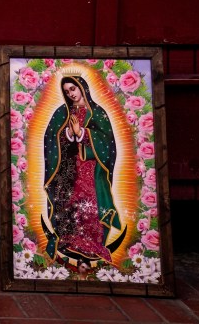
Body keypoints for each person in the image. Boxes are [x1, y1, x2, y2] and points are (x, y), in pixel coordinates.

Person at [42, 74, 126, 271]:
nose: (71, 93)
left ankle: (88, 251)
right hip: (68, 169)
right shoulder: (62, 113)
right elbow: (51, 139)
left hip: (91, 171)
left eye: (73, 88)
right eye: (67, 91)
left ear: (82, 87)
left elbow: (107, 145)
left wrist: (83, 133)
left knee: (89, 207)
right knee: (69, 205)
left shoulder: (98, 113)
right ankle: (70, 243)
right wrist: (69, 134)